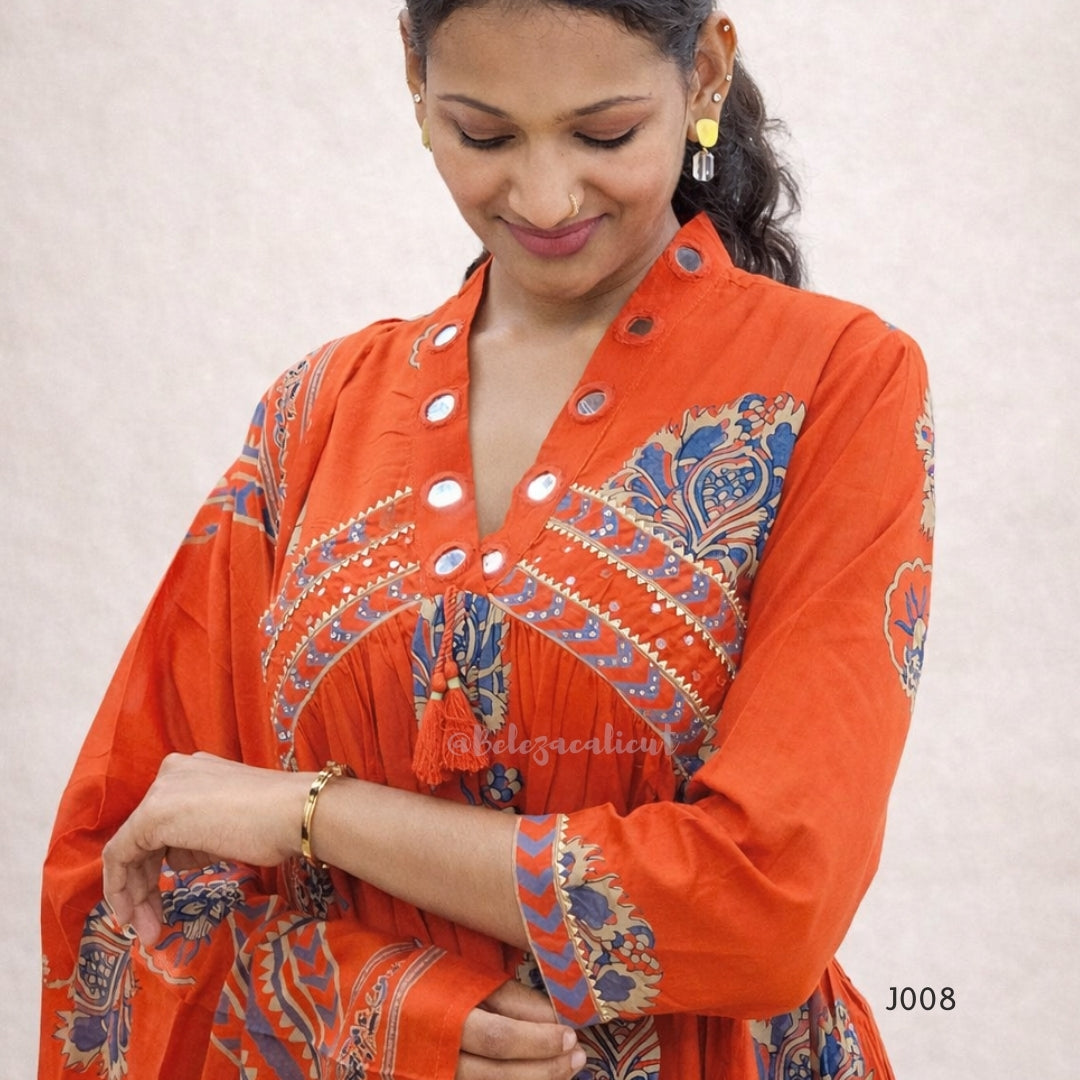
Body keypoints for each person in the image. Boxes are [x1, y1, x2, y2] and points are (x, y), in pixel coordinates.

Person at [39, 2, 935, 1077]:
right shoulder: (317, 415)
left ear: (702, 72)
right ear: (414, 80)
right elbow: (136, 865)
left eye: (604, 135)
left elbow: (769, 903)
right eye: (485, 134)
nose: (546, 197)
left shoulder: (837, 384)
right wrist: (389, 1012)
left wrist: (309, 812)